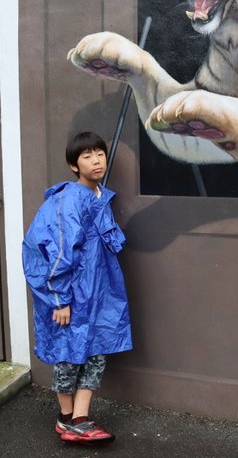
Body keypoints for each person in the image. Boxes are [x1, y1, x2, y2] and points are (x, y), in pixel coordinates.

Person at [22, 131, 132, 445]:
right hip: (71, 294)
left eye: (100, 153)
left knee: (95, 354)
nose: (96, 160)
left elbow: (108, 243)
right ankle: (68, 419)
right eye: (87, 156)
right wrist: (59, 300)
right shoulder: (69, 201)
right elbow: (59, 251)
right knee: (68, 356)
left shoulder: (100, 197)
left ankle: (79, 419)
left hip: (98, 292)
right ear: (73, 165)